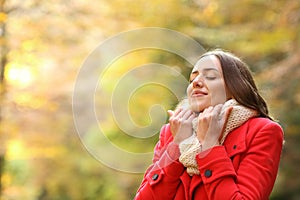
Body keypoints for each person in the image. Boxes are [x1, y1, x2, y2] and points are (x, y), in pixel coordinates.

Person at [134, 49, 284, 200]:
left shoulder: (262, 131)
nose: (196, 82)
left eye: (211, 76)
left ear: (236, 87)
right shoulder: (172, 131)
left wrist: (210, 145)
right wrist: (177, 144)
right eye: (192, 79)